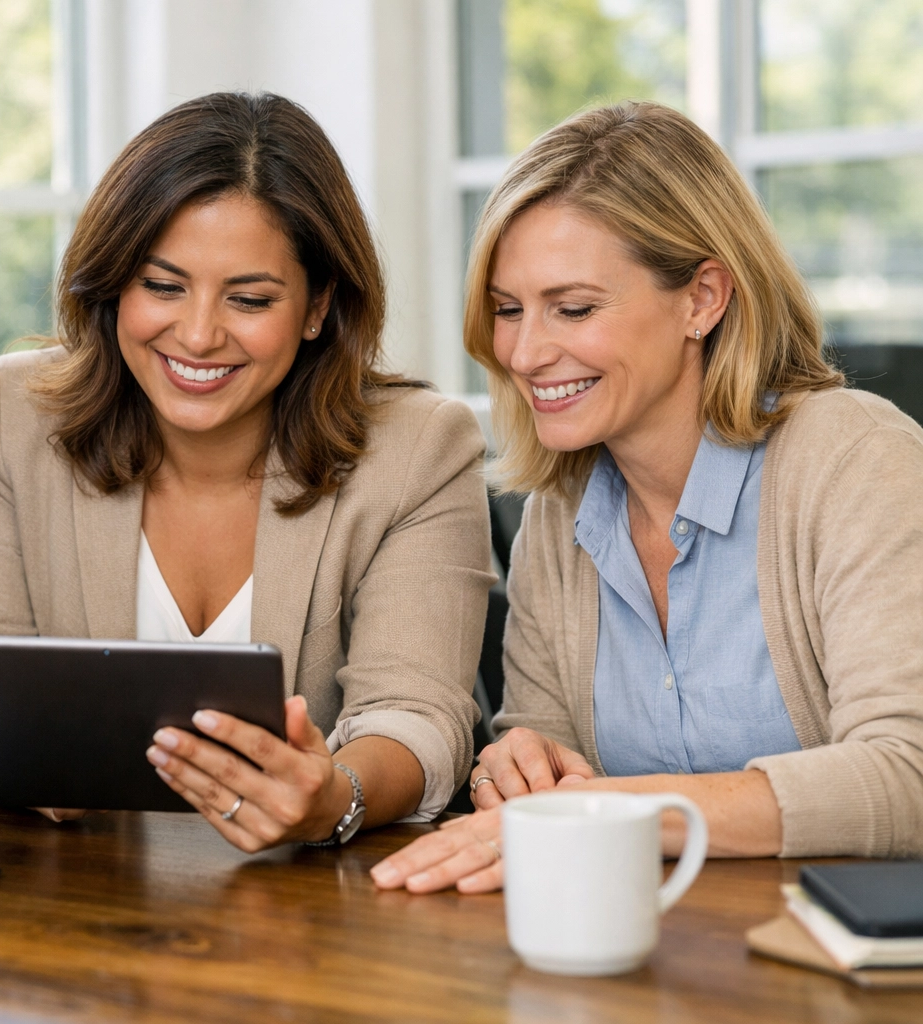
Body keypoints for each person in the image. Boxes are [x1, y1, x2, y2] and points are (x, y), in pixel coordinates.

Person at [372, 101, 923, 896]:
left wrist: (611, 810)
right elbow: (543, 761)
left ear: (702, 299)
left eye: (574, 308)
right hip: (641, 944)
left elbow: (907, 777)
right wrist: (515, 768)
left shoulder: (855, 461)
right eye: (507, 309)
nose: (524, 353)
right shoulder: (559, 517)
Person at [0, 92, 494, 852]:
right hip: (73, 881)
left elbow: (418, 715)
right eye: (163, 287)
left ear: (318, 306)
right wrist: (19, 762)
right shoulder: (12, 414)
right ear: (114, 284)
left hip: (306, 895)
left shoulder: (421, 448)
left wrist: (334, 796)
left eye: (250, 299)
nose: (198, 336)